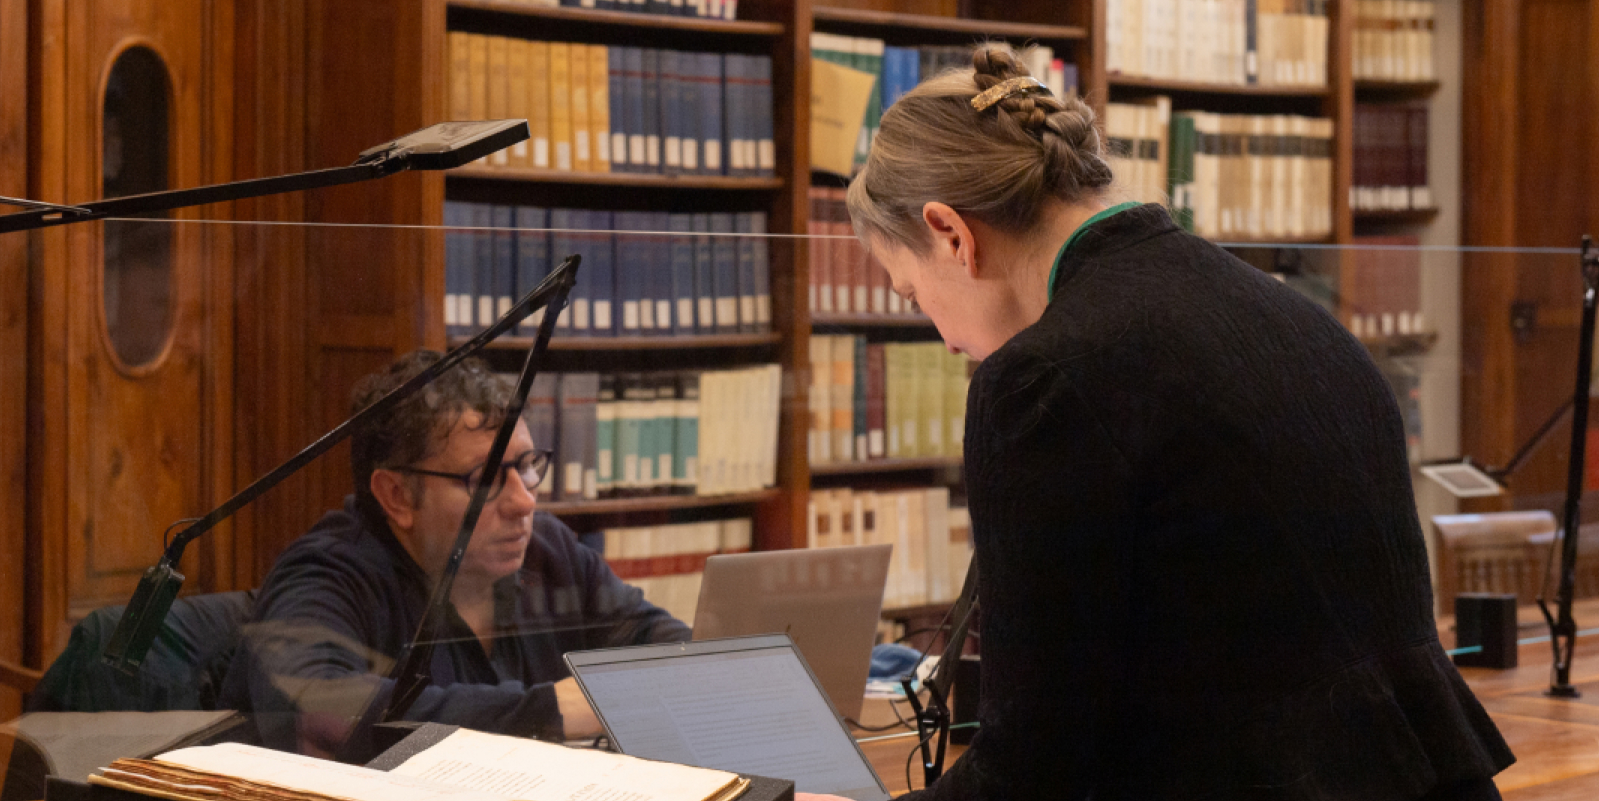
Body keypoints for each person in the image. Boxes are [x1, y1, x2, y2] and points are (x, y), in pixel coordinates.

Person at [826, 44, 1514, 800]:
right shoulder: (1297, 319)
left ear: (951, 233)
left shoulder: (1043, 378)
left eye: (913, 293)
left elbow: (1034, 773)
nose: (946, 339)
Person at [226, 351, 689, 757]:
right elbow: (323, 712)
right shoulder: (328, 572)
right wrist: (549, 710)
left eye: (528, 468)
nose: (524, 502)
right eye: (485, 480)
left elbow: (656, 639)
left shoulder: (548, 550)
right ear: (397, 496)